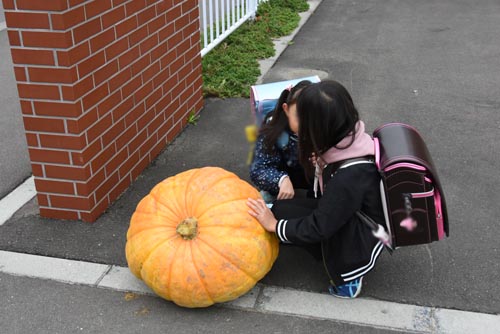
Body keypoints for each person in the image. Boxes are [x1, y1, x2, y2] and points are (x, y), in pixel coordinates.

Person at [247, 80, 387, 299]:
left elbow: (320, 227)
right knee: (282, 210)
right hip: (348, 212)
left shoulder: (349, 176)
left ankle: (349, 277)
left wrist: (274, 226)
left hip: (358, 235)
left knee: (281, 220)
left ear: (320, 127)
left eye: (304, 118)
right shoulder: (349, 138)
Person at [249, 80, 313, 203]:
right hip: (282, 185)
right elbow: (258, 169)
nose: (307, 124)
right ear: (286, 109)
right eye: (300, 117)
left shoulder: (326, 125)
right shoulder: (272, 128)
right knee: (259, 205)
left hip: (318, 184)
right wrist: (280, 179)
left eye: (313, 117)